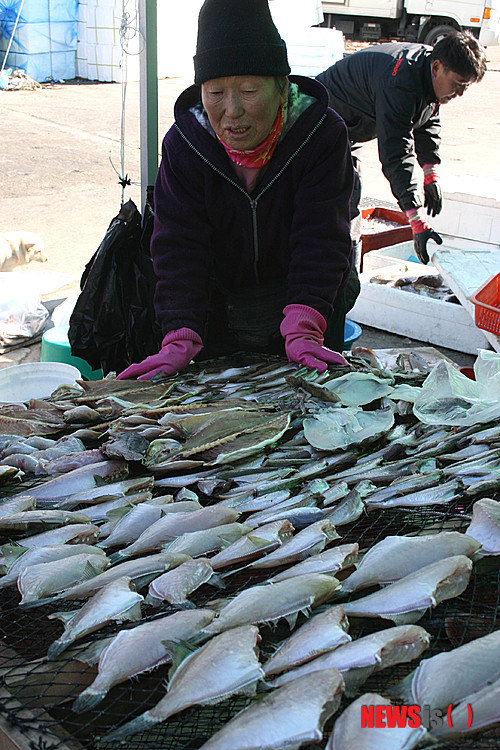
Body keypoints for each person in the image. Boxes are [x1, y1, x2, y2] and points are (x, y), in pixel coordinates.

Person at [118, 0, 357, 381]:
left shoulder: (321, 134)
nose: (231, 111)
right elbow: (179, 244)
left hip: (309, 298)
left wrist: (305, 323)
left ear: (282, 88)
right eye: (215, 93)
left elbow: (322, 234)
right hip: (221, 304)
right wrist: (179, 332)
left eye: (248, 91)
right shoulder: (185, 145)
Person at [316, 31, 487, 267]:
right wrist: (416, 220)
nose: (459, 94)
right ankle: (337, 279)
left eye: (465, 87)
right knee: (342, 200)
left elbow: (427, 120)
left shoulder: (428, 72)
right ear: (437, 67)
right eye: (457, 85)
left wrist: (431, 175)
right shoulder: (401, 83)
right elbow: (395, 153)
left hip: (350, 126)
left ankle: (347, 275)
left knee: (348, 201)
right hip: (322, 121)